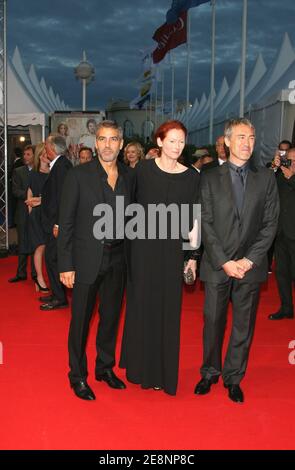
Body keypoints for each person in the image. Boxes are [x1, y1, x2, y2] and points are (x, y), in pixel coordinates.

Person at [194, 118, 279, 403]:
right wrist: (224, 261)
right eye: (241, 137)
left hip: (250, 268)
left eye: (252, 137)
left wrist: (250, 260)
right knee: (213, 322)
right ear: (227, 141)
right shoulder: (208, 177)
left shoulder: (266, 178)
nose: (247, 143)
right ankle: (209, 372)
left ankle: (234, 377)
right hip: (218, 266)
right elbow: (205, 222)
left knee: (243, 326)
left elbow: (270, 224)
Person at [119, 120, 200, 396]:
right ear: (160, 142)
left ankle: (162, 372)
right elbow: (127, 208)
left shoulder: (192, 176)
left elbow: (193, 220)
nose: (177, 146)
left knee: (167, 311)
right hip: (142, 250)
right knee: (142, 307)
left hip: (171, 253)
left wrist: (192, 255)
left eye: (181, 141)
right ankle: (141, 368)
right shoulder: (142, 170)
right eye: (172, 140)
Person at [58, 120, 135, 401]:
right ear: (95, 142)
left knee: (111, 318)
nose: (107, 145)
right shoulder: (78, 176)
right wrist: (66, 264)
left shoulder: (129, 177)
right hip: (87, 259)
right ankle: (77, 376)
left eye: (113, 139)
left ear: (121, 144)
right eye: (102, 139)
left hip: (118, 258)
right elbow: (65, 223)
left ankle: (104, 368)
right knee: (80, 321)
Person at [39, 134, 72, 311]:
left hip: (55, 224)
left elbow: (63, 198)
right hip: (52, 222)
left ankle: (59, 298)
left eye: (46, 146)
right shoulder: (59, 165)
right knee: (51, 259)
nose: (45, 149)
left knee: (52, 259)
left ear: (52, 148)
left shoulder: (62, 167)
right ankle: (56, 293)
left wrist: (59, 224)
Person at [268, 148, 295, 320]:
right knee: (282, 273)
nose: (291, 163)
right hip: (281, 234)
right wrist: (274, 167)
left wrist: (291, 178)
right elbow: (265, 187)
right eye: (289, 159)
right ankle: (286, 308)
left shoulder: (289, 178)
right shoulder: (280, 176)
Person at [24, 143, 50, 293]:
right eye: (45, 153)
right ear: (40, 156)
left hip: (50, 215)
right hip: (37, 216)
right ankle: (39, 278)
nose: (48, 156)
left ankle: (46, 278)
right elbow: (29, 197)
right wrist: (31, 215)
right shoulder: (33, 174)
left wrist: (41, 200)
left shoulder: (54, 173)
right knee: (40, 246)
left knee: (50, 247)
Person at [9, 145, 37, 283]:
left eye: (28, 154)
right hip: (22, 213)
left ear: (34, 155)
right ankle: (21, 273)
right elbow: (15, 190)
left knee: (35, 243)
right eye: (24, 154)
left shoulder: (42, 171)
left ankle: (35, 273)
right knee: (22, 243)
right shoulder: (18, 171)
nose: (25, 157)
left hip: (37, 213)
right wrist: (29, 196)